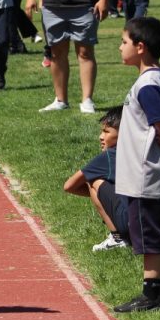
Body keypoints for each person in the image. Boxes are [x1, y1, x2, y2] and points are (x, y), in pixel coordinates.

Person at [113, 17, 160, 313]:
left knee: (150, 233)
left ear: (140, 48)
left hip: (147, 174)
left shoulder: (147, 85)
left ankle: (152, 292)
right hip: (158, 173)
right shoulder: (157, 78)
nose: (120, 47)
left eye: (124, 42)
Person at [63, 106, 130, 253]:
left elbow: (69, 186)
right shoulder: (148, 151)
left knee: (92, 180)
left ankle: (117, 238)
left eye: (106, 132)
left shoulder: (109, 156)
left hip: (131, 224)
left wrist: (102, 196)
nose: (100, 136)